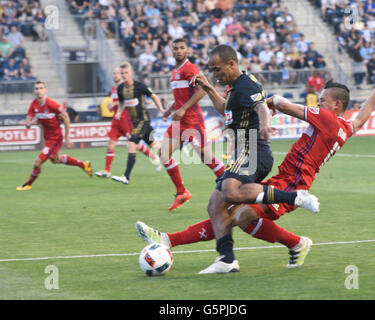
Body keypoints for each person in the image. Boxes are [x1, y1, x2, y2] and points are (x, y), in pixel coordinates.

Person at [135, 76, 375, 273]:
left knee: (240, 214)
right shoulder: (345, 125)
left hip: (294, 183)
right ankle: (171, 240)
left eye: (322, 100)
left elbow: (286, 105)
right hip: (284, 177)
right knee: (232, 209)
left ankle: (296, 243)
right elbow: (361, 118)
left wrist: (267, 102)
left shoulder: (329, 119)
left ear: (335, 105)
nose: (319, 103)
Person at [173, 44, 318, 274]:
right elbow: (225, 110)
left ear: (232, 64)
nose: (215, 74)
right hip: (242, 153)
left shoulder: (246, 84)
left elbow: (261, 107)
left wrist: (266, 125)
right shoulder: (232, 88)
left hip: (253, 151)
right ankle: (226, 259)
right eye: (212, 70)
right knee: (215, 205)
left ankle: (295, 197)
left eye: (218, 70)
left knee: (230, 192)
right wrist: (209, 88)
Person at [160, 38, 225, 211]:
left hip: (193, 121)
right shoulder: (175, 71)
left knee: (206, 158)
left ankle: (229, 186)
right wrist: (170, 110)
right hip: (179, 121)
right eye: (175, 48)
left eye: (182, 48)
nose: (178, 51)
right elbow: (180, 98)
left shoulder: (190, 68)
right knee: (164, 153)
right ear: (171, 50)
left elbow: (202, 89)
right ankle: (182, 192)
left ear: (187, 50)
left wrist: (182, 109)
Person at [16, 80, 93, 191]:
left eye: (41, 88)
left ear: (45, 90)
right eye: (36, 89)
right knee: (56, 160)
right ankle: (83, 165)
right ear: (34, 91)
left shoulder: (52, 104)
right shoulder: (33, 104)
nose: (39, 91)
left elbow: (66, 117)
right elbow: (28, 121)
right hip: (47, 139)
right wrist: (28, 123)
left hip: (55, 138)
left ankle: (28, 184)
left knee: (37, 162)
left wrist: (67, 137)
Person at [95, 67, 162, 178]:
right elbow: (120, 102)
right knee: (111, 144)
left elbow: (129, 101)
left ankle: (154, 158)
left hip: (127, 120)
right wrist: (113, 107)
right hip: (116, 120)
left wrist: (115, 104)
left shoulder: (127, 87)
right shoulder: (115, 88)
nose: (115, 75)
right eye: (114, 73)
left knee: (134, 144)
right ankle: (107, 171)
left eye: (118, 73)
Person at [110, 62, 165, 185]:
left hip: (143, 120)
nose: (124, 75)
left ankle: (126, 177)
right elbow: (121, 102)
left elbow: (153, 96)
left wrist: (161, 109)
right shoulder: (120, 89)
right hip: (135, 122)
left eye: (126, 73)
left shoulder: (139, 86)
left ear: (131, 73)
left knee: (131, 144)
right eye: (122, 73)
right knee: (155, 145)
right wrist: (119, 112)